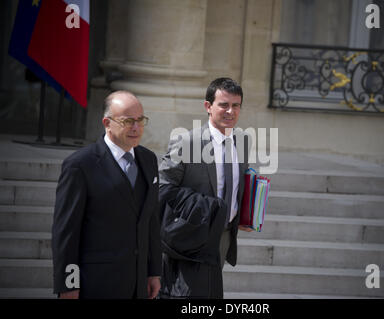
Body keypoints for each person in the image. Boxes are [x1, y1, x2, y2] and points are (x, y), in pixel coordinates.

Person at [52, 91, 162, 299]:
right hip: (96, 283)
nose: (136, 128)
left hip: (138, 284)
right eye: (128, 121)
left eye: (140, 120)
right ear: (107, 123)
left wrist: (153, 271)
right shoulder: (80, 165)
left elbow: (151, 220)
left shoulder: (149, 160)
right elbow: (66, 232)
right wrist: (68, 285)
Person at [158, 77, 252, 298]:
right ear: (208, 107)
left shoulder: (243, 141)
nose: (230, 111)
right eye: (224, 105)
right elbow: (162, 188)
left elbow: (237, 184)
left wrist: (245, 213)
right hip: (191, 237)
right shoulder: (186, 142)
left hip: (224, 237)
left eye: (236, 105)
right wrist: (200, 209)